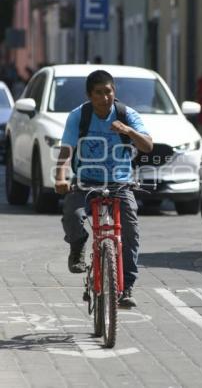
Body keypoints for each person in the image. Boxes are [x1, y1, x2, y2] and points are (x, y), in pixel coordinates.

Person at [54, 70, 153, 307]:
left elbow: (148, 145)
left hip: (119, 182)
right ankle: (77, 247)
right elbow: (66, 150)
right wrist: (60, 176)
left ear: (114, 92)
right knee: (72, 213)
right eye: (99, 93)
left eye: (108, 91)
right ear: (90, 95)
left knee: (130, 229)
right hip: (86, 180)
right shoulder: (79, 116)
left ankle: (127, 287)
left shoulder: (126, 114)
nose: (105, 97)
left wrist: (128, 131)